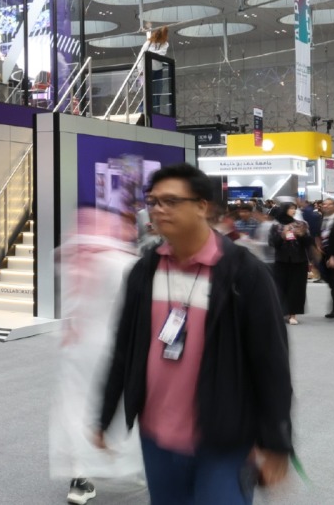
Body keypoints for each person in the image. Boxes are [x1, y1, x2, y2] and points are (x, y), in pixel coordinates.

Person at [95, 163, 293, 504]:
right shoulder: (145, 270)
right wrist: (104, 413)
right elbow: (125, 347)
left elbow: (271, 362)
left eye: (170, 201)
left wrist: (276, 441)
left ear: (202, 206)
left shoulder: (243, 274)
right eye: (153, 201)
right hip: (156, 435)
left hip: (223, 436)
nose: (157, 210)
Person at [49, 209, 144, 505]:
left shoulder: (73, 258)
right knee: (119, 407)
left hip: (76, 350)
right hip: (113, 348)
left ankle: (81, 477)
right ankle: (129, 464)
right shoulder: (123, 262)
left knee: (77, 411)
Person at [269, 203, 311, 325]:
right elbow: (272, 243)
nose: (293, 211)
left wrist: (302, 235)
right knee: (280, 287)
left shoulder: (302, 224)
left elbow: (308, 243)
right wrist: (282, 236)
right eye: (290, 208)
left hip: (299, 261)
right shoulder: (276, 225)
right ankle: (281, 312)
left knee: (296, 288)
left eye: (294, 208)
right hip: (281, 260)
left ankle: (293, 314)